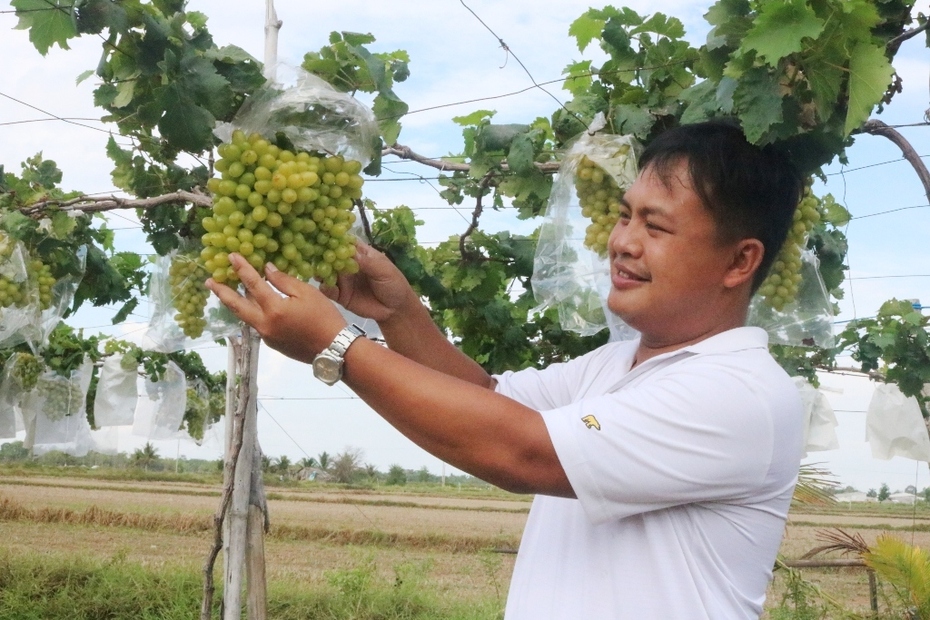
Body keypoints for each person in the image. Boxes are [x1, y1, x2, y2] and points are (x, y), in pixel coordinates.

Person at [206, 120, 806, 619]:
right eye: (625, 216)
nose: (622, 241)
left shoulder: (740, 393)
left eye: (656, 226)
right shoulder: (621, 363)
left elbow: (525, 452)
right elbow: (488, 398)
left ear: (739, 261)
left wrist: (336, 347)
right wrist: (399, 311)